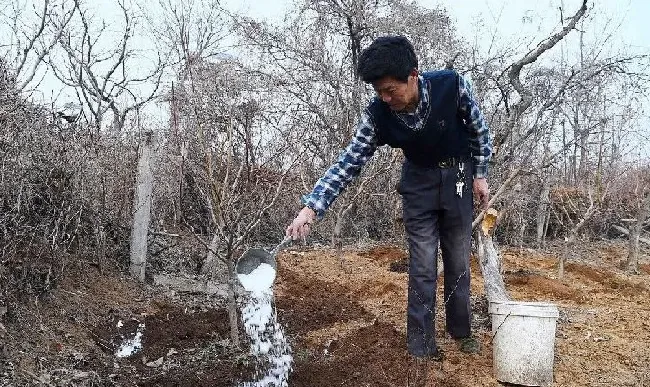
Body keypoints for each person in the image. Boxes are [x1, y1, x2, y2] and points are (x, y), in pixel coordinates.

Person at [285, 36, 492, 364]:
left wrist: (479, 174)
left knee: (458, 261)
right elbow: (349, 161)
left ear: (413, 75)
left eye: (390, 90)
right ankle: (422, 345)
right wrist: (313, 206)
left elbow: (479, 131)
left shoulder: (451, 87)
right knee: (423, 264)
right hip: (418, 184)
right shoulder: (378, 115)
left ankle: (461, 331)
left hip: (458, 178)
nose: (385, 98)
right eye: (378, 91)